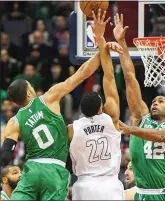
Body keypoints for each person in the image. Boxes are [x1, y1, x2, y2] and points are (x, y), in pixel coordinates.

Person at [1, 33, 120, 200]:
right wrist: (102, 50)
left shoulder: (14, 122)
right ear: (29, 92)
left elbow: (5, 154)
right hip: (55, 170)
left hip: (32, 170)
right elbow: (82, 73)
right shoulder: (49, 98)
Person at [113, 13, 165, 200]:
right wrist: (121, 42)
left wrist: (132, 129)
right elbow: (130, 77)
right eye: (153, 101)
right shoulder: (141, 117)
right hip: (144, 194)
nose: (155, 103)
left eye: (160, 101)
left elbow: (162, 136)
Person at [68, 9, 124, 200]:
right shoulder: (112, 119)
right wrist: (100, 39)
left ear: (82, 112)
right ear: (101, 107)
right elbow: (109, 77)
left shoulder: (72, 129)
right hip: (110, 185)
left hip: (84, 186)